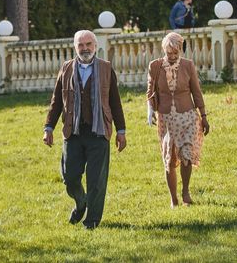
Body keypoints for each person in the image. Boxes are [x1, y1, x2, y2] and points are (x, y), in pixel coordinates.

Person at [43, 30, 127, 230]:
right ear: (75, 47)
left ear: (95, 46)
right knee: (69, 176)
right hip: (73, 131)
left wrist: (121, 131)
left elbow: (115, 101)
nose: (85, 48)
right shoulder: (67, 69)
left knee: (96, 180)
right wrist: (48, 127)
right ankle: (81, 202)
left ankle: (92, 221)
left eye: (89, 44)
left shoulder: (106, 69)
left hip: (99, 131)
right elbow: (56, 102)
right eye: (81, 45)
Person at [146, 32, 210, 208]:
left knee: (186, 155)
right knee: (170, 158)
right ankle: (173, 198)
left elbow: (196, 91)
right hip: (166, 119)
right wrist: (150, 110)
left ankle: (186, 192)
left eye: (176, 53)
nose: (173, 57)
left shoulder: (188, 66)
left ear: (180, 50)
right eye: (169, 53)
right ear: (164, 51)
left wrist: (203, 116)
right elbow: (150, 90)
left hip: (188, 116)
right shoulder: (155, 66)